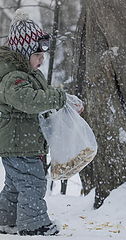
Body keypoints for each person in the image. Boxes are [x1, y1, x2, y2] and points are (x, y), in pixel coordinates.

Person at [0, 9, 81, 236]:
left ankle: (6, 220)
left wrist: (64, 100)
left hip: (20, 142)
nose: (42, 59)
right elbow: (30, 100)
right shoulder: (13, 77)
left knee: (17, 185)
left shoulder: (26, 73)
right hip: (18, 142)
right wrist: (59, 98)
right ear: (24, 53)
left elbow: (41, 94)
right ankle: (34, 225)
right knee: (33, 183)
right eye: (38, 55)